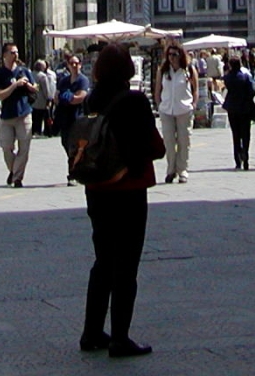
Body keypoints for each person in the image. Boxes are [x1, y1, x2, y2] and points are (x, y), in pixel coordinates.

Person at [79, 44, 163, 358]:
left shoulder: (91, 99)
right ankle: (120, 337)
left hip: (97, 189)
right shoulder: (135, 101)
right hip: (128, 189)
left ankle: (91, 332)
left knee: (103, 261)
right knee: (125, 266)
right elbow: (156, 147)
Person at [0, 41, 38, 187]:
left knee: (24, 147)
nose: (15, 55)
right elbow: (1, 95)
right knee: (6, 147)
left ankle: (17, 178)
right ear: (4, 55)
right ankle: (13, 170)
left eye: (16, 52)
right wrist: (15, 85)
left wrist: (30, 86)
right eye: (12, 52)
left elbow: (35, 87)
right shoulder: (0, 74)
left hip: (24, 113)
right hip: (7, 115)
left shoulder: (24, 71)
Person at [153, 43, 196, 183]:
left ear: (180, 55)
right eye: (169, 55)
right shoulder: (163, 70)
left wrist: (193, 104)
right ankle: (171, 169)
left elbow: (195, 89)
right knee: (169, 142)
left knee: (184, 141)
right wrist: (159, 105)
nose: (171, 58)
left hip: (184, 109)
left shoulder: (188, 69)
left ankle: (183, 169)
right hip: (167, 110)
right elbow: (158, 89)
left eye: (174, 55)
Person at [221, 56, 255, 169]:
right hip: (245, 107)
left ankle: (237, 159)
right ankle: (245, 154)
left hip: (232, 108)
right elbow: (252, 92)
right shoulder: (245, 77)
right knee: (246, 133)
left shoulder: (227, 78)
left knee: (235, 134)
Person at [55, 53, 91, 151]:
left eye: (76, 63)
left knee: (76, 146)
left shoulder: (83, 80)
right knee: (65, 143)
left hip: (77, 118)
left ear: (80, 64)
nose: (74, 65)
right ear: (68, 65)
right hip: (64, 119)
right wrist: (70, 97)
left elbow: (80, 98)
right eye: (71, 63)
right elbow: (56, 98)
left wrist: (67, 98)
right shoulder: (64, 80)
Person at [32, 58, 57, 137]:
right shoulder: (42, 76)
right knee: (46, 116)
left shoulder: (31, 74)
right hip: (42, 100)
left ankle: (36, 131)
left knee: (35, 117)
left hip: (33, 99)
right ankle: (48, 131)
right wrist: (49, 98)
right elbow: (45, 89)